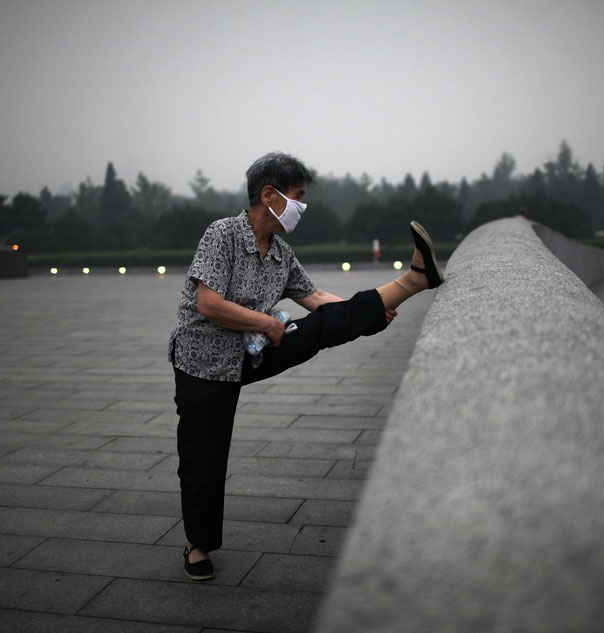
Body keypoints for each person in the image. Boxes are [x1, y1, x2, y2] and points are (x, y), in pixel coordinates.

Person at [167, 152, 445, 581]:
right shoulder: (222, 235)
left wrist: (367, 316)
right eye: (297, 197)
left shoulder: (280, 253)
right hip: (202, 364)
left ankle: (411, 282)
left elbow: (314, 299)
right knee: (204, 459)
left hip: (253, 350)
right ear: (268, 195)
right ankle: (196, 544)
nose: (302, 206)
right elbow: (207, 303)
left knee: (316, 327)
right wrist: (264, 320)